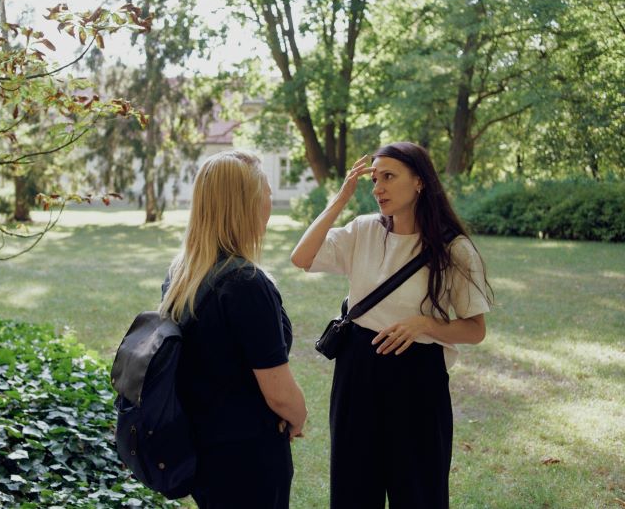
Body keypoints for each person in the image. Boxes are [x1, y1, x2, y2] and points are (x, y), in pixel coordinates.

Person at [290, 142, 492, 509]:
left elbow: (475, 329)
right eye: (374, 178)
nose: (377, 187)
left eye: (388, 177)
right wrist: (339, 199)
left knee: (419, 492)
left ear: (419, 182)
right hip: (357, 370)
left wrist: (424, 325)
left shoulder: (455, 250)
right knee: (353, 491)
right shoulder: (363, 230)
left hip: (418, 379)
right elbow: (301, 257)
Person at [159, 150, 308, 509]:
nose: (271, 204)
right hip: (247, 456)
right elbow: (279, 393)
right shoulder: (246, 283)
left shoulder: (182, 273)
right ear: (248, 205)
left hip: (203, 447)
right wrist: (298, 417)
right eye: (267, 194)